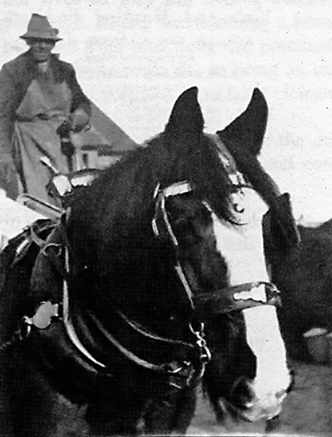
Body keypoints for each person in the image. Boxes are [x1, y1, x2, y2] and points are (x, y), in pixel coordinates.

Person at [0, 13, 91, 205]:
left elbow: (81, 102)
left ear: (53, 44)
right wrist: (4, 154)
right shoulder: (13, 70)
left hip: (62, 143)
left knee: (68, 196)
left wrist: (80, 116)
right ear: (29, 42)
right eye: (36, 41)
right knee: (40, 199)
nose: (42, 46)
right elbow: (3, 115)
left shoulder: (65, 70)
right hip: (28, 143)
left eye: (47, 42)